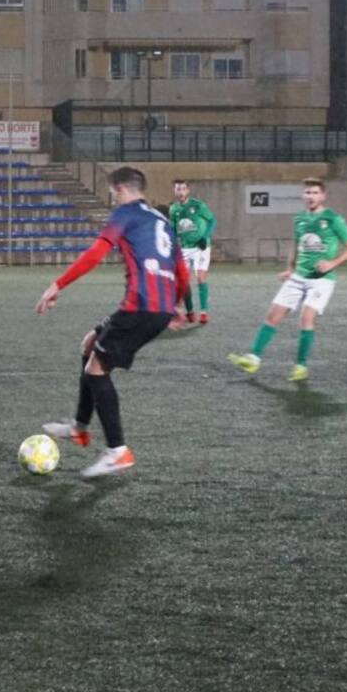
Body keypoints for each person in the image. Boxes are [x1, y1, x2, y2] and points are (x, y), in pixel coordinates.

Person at [36, 166, 189, 478]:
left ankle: (117, 451)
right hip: (155, 307)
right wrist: (175, 305)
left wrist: (57, 285)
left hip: (140, 306)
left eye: (112, 191)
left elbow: (95, 253)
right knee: (90, 343)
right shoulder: (162, 220)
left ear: (120, 189)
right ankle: (79, 428)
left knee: (97, 369)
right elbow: (181, 269)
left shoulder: (125, 214)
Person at [229, 178, 347, 382]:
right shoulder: (299, 219)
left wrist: (332, 263)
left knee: (306, 318)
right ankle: (253, 359)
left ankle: (301, 366)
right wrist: (289, 268)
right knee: (272, 315)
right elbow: (297, 246)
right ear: (303, 196)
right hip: (298, 276)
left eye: (315, 193)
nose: (311, 196)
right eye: (307, 193)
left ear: (323, 196)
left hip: (321, 280)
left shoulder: (333, 219)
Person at [168, 179, 215, 323]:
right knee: (184, 281)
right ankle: (190, 311)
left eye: (183, 189)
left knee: (200, 278)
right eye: (177, 189)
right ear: (175, 191)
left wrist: (205, 237)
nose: (180, 192)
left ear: (187, 190)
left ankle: (203, 312)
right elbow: (173, 230)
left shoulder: (198, 205)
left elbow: (212, 221)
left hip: (201, 247)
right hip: (184, 248)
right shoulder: (173, 209)